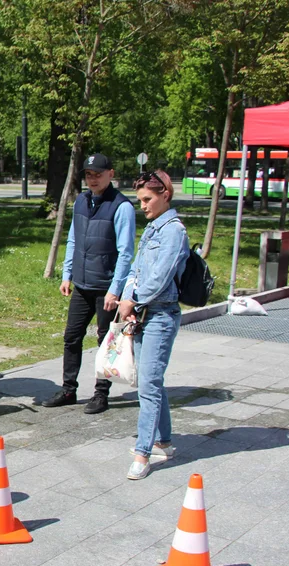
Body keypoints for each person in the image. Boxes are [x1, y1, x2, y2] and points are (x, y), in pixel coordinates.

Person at [42, 152, 136, 414]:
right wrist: (67, 274)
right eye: (88, 174)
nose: (93, 179)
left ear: (111, 174)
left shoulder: (122, 207)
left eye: (98, 174)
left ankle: (100, 393)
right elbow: (73, 239)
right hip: (82, 285)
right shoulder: (81, 201)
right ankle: (68, 389)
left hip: (106, 289)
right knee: (71, 337)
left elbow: (126, 252)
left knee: (105, 341)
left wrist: (115, 289)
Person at [119, 169, 189, 481]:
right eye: (140, 200)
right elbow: (135, 268)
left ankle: (142, 452)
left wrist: (134, 301)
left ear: (165, 195)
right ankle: (164, 441)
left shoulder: (174, 231)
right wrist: (127, 298)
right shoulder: (152, 230)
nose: (143, 205)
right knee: (152, 382)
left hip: (161, 315)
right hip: (143, 313)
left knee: (148, 385)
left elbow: (160, 280)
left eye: (148, 199)